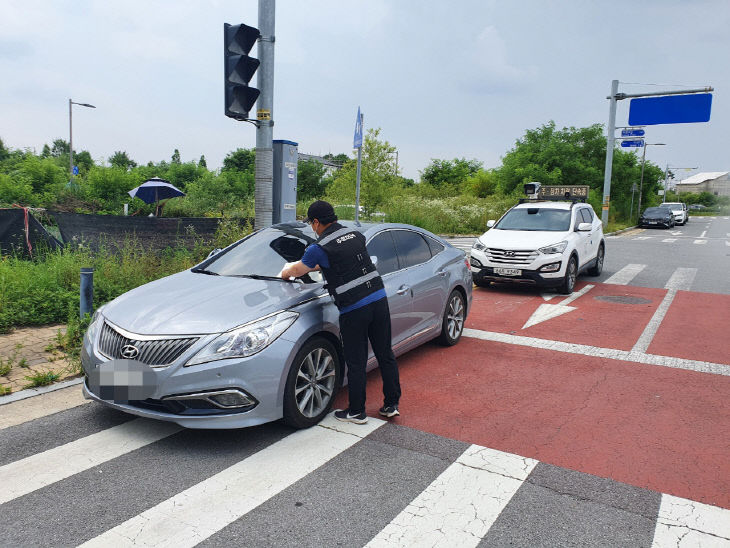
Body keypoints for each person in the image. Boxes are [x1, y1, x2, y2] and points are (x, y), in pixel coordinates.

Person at [280, 200, 401, 424]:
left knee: (356, 361)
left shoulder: (319, 247)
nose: (312, 228)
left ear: (316, 222)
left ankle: (357, 412)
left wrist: (286, 273)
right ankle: (391, 404)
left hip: (355, 308)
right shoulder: (355, 235)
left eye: (311, 224)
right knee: (385, 353)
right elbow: (341, 260)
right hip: (379, 300)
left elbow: (299, 269)